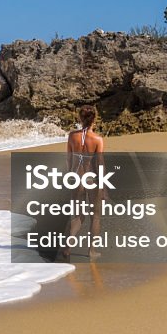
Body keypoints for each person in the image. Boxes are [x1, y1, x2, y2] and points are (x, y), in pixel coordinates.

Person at [61, 105, 106, 262]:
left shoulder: (71, 136)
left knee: (78, 216)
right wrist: (103, 186)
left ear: (80, 118)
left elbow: (68, 159)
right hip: (91, 179)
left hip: (75, 178)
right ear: (95, 119)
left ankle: (67, 247)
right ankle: (92, 251)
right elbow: (99, 164)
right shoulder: (98, 139)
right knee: (95, 216)